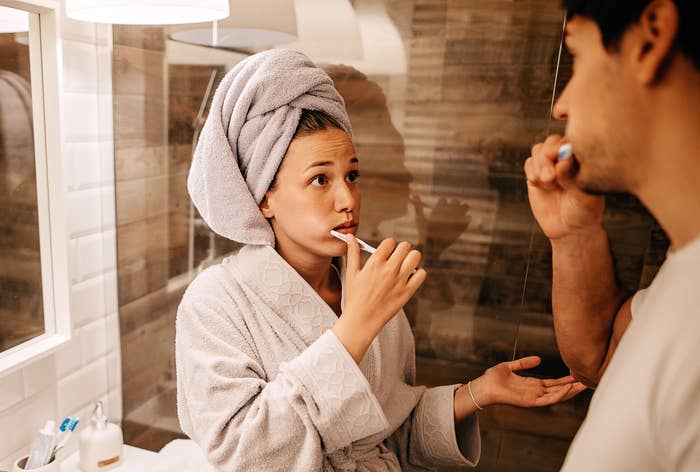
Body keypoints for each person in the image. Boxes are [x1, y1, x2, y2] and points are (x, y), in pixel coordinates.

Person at [176, 48, 582, 471]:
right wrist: (355, 328)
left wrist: (478, 392)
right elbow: (243, 455)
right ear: (264, 198)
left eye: (352, 175)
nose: (347, 199)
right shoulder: (215, 303)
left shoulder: (367, 288)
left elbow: (383, 435)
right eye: (320, 179)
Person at [524, 0, 700, 470]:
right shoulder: (685, 274)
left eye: (577, 57)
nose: (561, 105)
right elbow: (598, 359)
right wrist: (573, 234)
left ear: (650, 39)